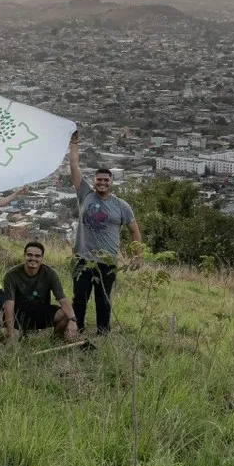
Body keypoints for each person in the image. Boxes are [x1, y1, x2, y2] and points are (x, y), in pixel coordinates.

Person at [69, 131, 140, 334]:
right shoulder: (85, 195)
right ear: (94, 181)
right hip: (82, 258)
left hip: (108, 261)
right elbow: (74, 168)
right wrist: (74, 145)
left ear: (111, 182)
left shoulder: (121, 206)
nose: (102, 183)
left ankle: (103, 331)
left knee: (104, 298)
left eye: (106, 180)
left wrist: (137, 256)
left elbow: (134, 231)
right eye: (99, 179)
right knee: (79, 297)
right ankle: (77, 329)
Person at [3, 241, 77, 340]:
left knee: (65, 314)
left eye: (37, 256)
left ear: (42, 258)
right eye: (29, 255)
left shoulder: (50, 274)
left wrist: (72, 320)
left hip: (40, 311)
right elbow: (9, 305)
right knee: (7, 335)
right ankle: (18, 333)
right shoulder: (11, 275)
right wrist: (11, 332)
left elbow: (63, 300)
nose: (33, 258)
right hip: (18, 313)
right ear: (24, 256)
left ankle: (56, 339)